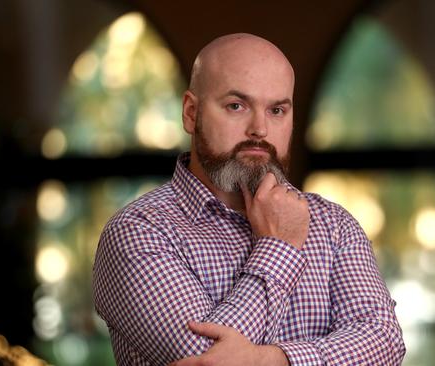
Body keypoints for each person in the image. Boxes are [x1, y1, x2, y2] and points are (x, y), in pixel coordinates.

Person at [93, 33, 405, 366]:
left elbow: (384, 343)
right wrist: (278, 248)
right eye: (236, 106)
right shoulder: (137, 232)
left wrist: (269, 360)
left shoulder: (334, 225)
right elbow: (208, 360)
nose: (259, 129)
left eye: (277, 110)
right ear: (190, 113)